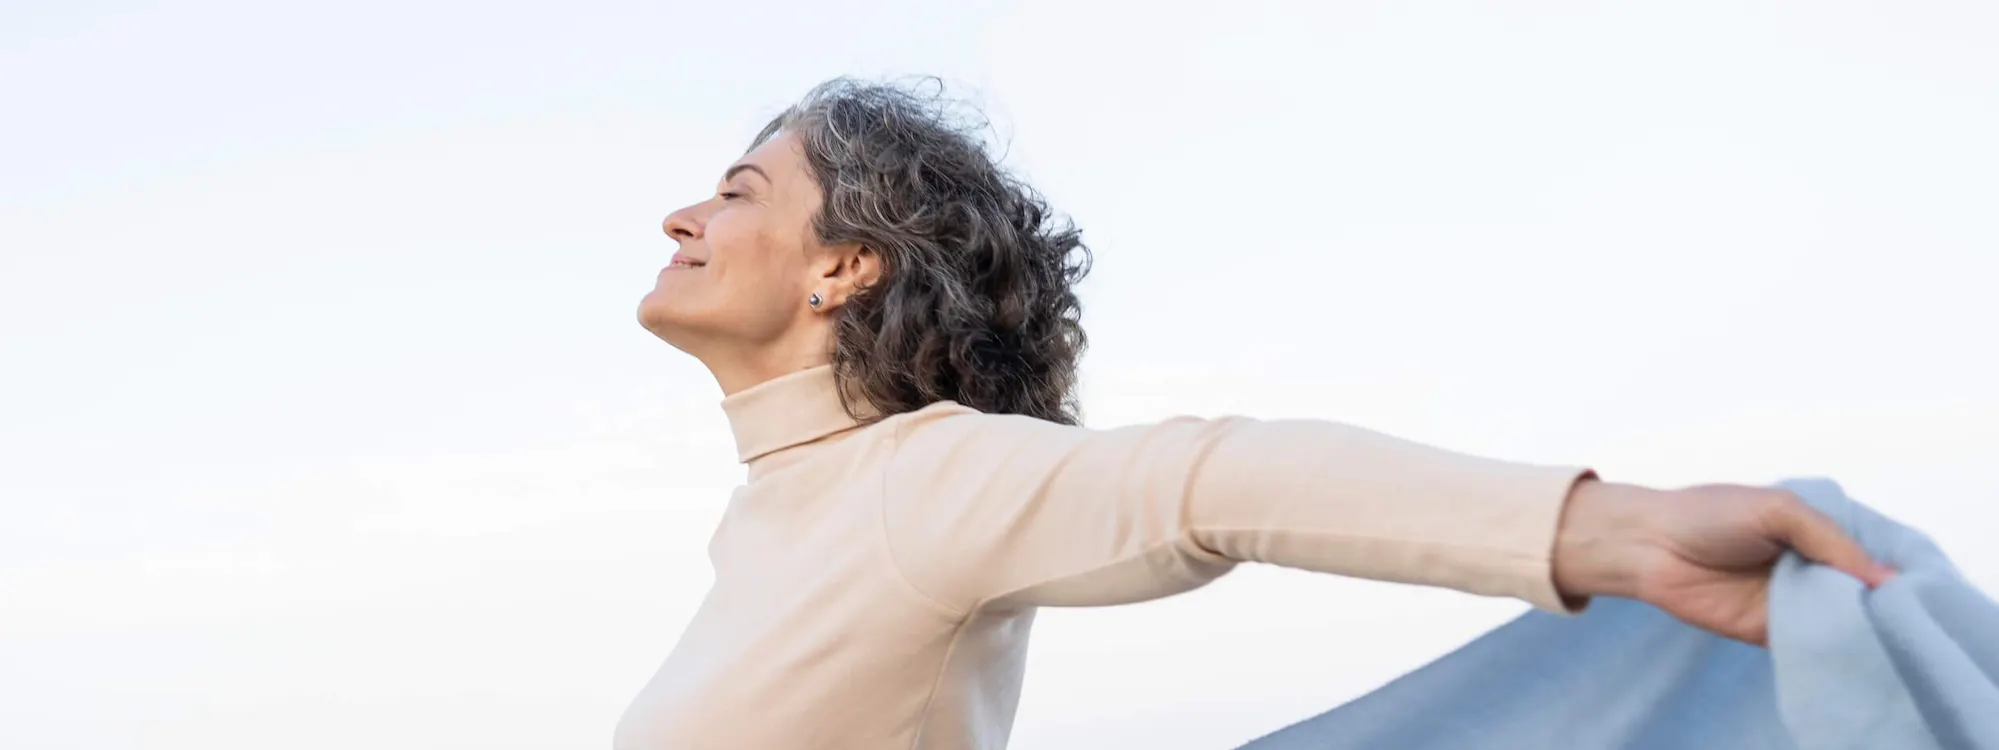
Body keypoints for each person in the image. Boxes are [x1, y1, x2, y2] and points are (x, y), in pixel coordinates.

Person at [615, 78, 1895, 750]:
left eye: (736, 192)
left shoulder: (918, 481)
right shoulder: (773, 519)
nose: (686, 215)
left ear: (846, 267)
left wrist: (1613, 532)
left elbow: (1208, 482)